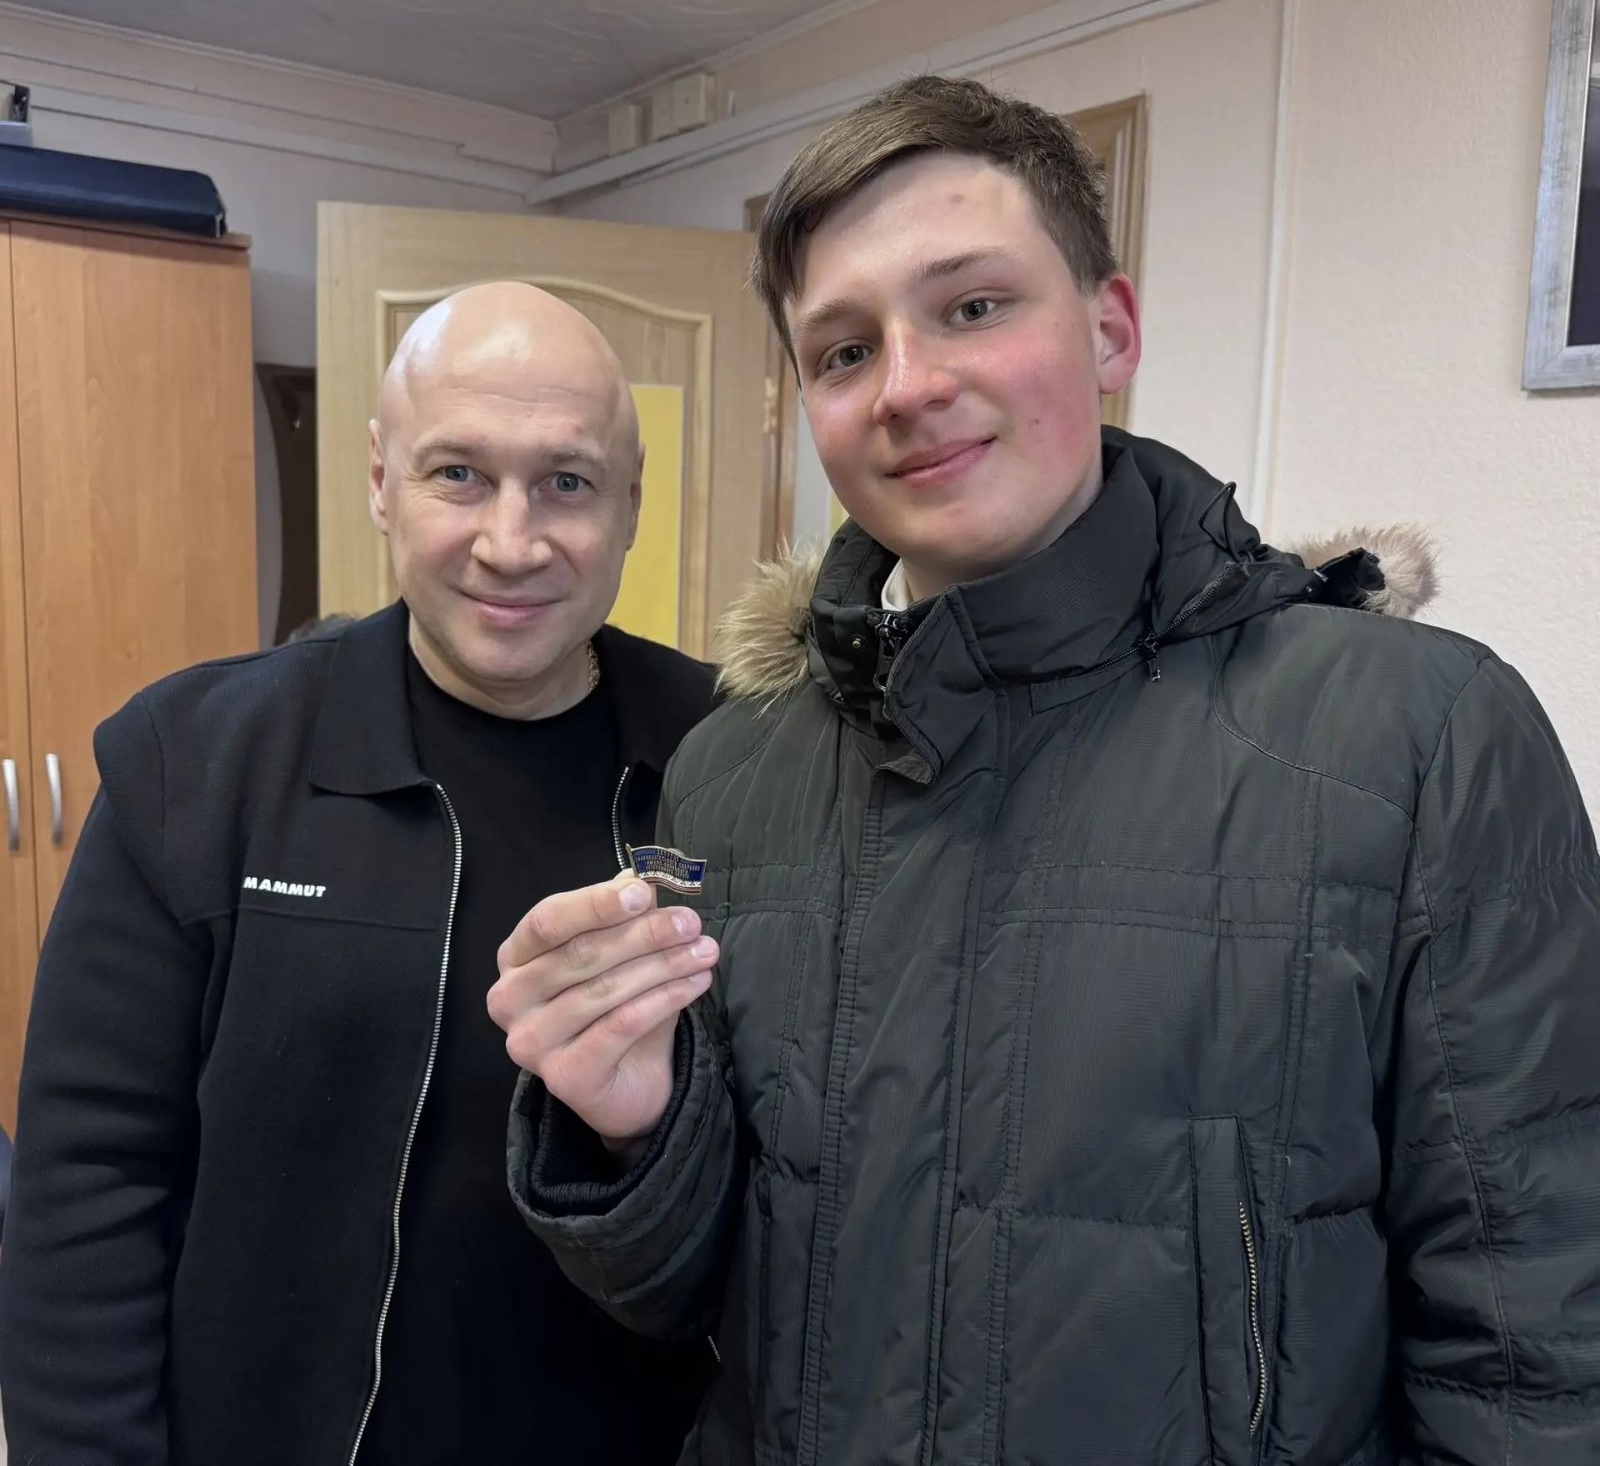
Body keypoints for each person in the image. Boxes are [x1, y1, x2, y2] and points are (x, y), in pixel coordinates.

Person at [490, 78, 1600, 1463]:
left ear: (1109, 328)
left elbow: (1538, 1349)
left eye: (973, 305)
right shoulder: (732, 775)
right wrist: (632, 1132)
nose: (907, 384)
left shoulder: (1419, 742)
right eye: (843, 350)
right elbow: (693, 1303)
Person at [0, 283, 715, 1465]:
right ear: (381, 479)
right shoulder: (197, 763)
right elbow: (91, 1184)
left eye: (567, 481)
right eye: (458, 474)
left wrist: (649, 1135)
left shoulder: (731, 762)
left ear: (630, 502)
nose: (512, 540)